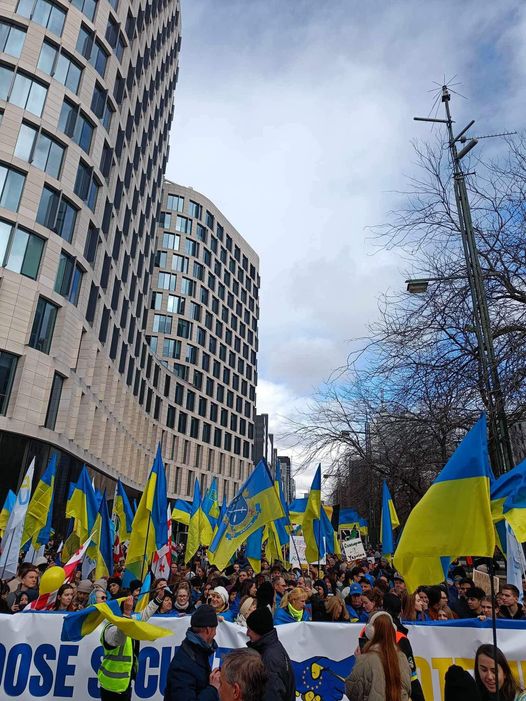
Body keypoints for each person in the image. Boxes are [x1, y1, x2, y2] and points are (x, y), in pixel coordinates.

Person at [99, 590, 165, 700]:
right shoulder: (110, 628)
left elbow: (144, 615)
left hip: (124, 684)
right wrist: (126, 614)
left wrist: (158, 599)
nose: (132, 604)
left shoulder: (129, 620)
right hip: (111, 687)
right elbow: (118, 639)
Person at [345, 611, 411, 701]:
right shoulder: (402, 657)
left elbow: (352, 692)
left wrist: (359, 661)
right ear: (393, 630)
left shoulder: (365, 659)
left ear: (370, 631)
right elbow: (407, 688)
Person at [164, 604, 220, 701]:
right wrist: (213, 689)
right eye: (215, 629)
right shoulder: (183, 666)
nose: (215, 634)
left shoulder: (198, 651)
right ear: (208, 630)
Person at [246, 606, 295, 701]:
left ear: (258, 630)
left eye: (249, 630)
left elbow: (271, 695)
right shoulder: (273, 646)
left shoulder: (269, 661)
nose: (247, 634)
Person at [382, 593, 425, 701]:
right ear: (400, 611)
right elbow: (411, 673)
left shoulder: (367, 632)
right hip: (394, 691)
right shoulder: (400, 637)